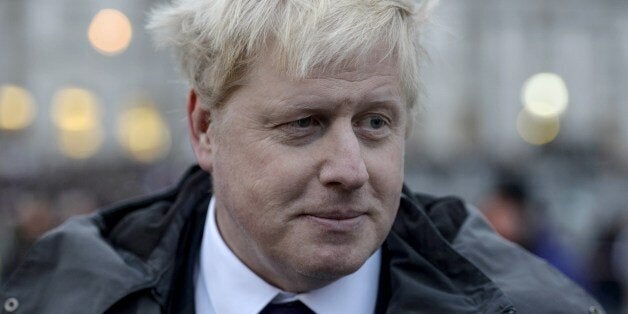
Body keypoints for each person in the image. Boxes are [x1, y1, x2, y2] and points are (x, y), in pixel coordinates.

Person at [0, 0, 603, 313]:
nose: (349, 168)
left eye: (375, 123)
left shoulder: (535, 306)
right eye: (303, 123)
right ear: (205, 127)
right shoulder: (62, 296)